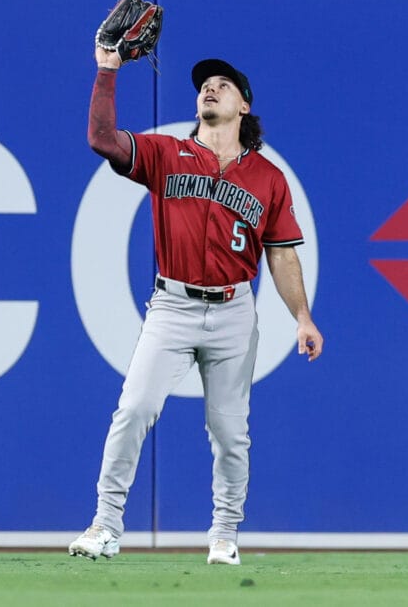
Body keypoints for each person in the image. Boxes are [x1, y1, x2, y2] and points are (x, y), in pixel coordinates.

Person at [68, 46, 323, 565]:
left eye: (222, 84)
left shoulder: (267, 179)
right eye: (204, 84)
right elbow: (101, 139)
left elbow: (282, 256)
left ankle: (224, 534)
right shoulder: (165, 154)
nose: (209, 87)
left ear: (243, 106)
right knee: (134, 408)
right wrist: (108, 70)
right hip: (173, 305)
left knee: (230, 430)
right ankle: (105, 525)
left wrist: (302, 316)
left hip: (233, 311)